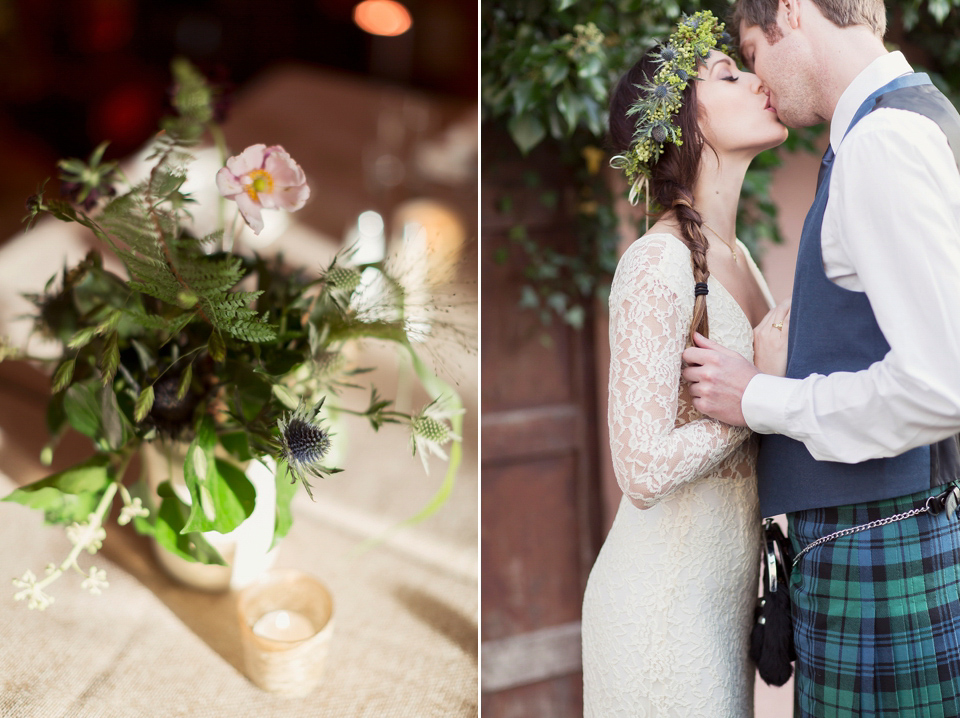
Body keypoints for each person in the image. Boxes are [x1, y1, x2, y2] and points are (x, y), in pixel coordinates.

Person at [680, 0, 960, 715]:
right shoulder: (914, 119)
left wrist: (758, 398)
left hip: (879, 548)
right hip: (888, 537)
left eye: (752, 47)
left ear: (792, 14)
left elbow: (940, 384)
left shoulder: (882, 143)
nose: (758, 76)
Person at [580, 11, 790, 716]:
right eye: (727, 75)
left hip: (718, 614)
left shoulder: (742, 262)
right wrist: (751, 402)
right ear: (680, 123)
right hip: (659, 615)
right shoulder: (655, 264)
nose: (756, 80)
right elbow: (638, 470)